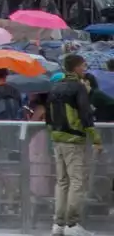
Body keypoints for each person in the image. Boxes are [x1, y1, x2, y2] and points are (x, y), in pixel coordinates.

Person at [48, 54, 102, 236]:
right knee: (77, 182)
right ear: (77, 67)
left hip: (57, 139)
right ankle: (73, 224)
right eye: (83, 66)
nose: (85, 69)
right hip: (74, 140)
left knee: (62, 182)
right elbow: (86, 114)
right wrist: (95, 139)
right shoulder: (78, 87)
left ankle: (59, 224)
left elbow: (49, 115)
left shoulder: (55, 86)